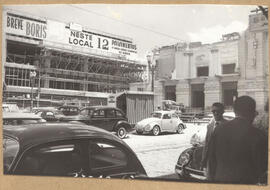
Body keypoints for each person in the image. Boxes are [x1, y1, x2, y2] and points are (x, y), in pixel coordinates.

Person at [208, 96, 268, 184]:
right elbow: (262, 167)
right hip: (245, 183)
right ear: (252, 112)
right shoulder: (259, 135)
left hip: (220, 181)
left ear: (234, 111)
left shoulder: (218, 129)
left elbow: (211, 159)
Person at [201, 102, 228, 180]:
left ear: (223, 112)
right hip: (210, 162)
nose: (215, 113)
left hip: (223, 162)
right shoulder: (210, 126)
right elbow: (207, 144)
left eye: (218, 111)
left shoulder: (228, 126)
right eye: (213, 111)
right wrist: (203, 161)